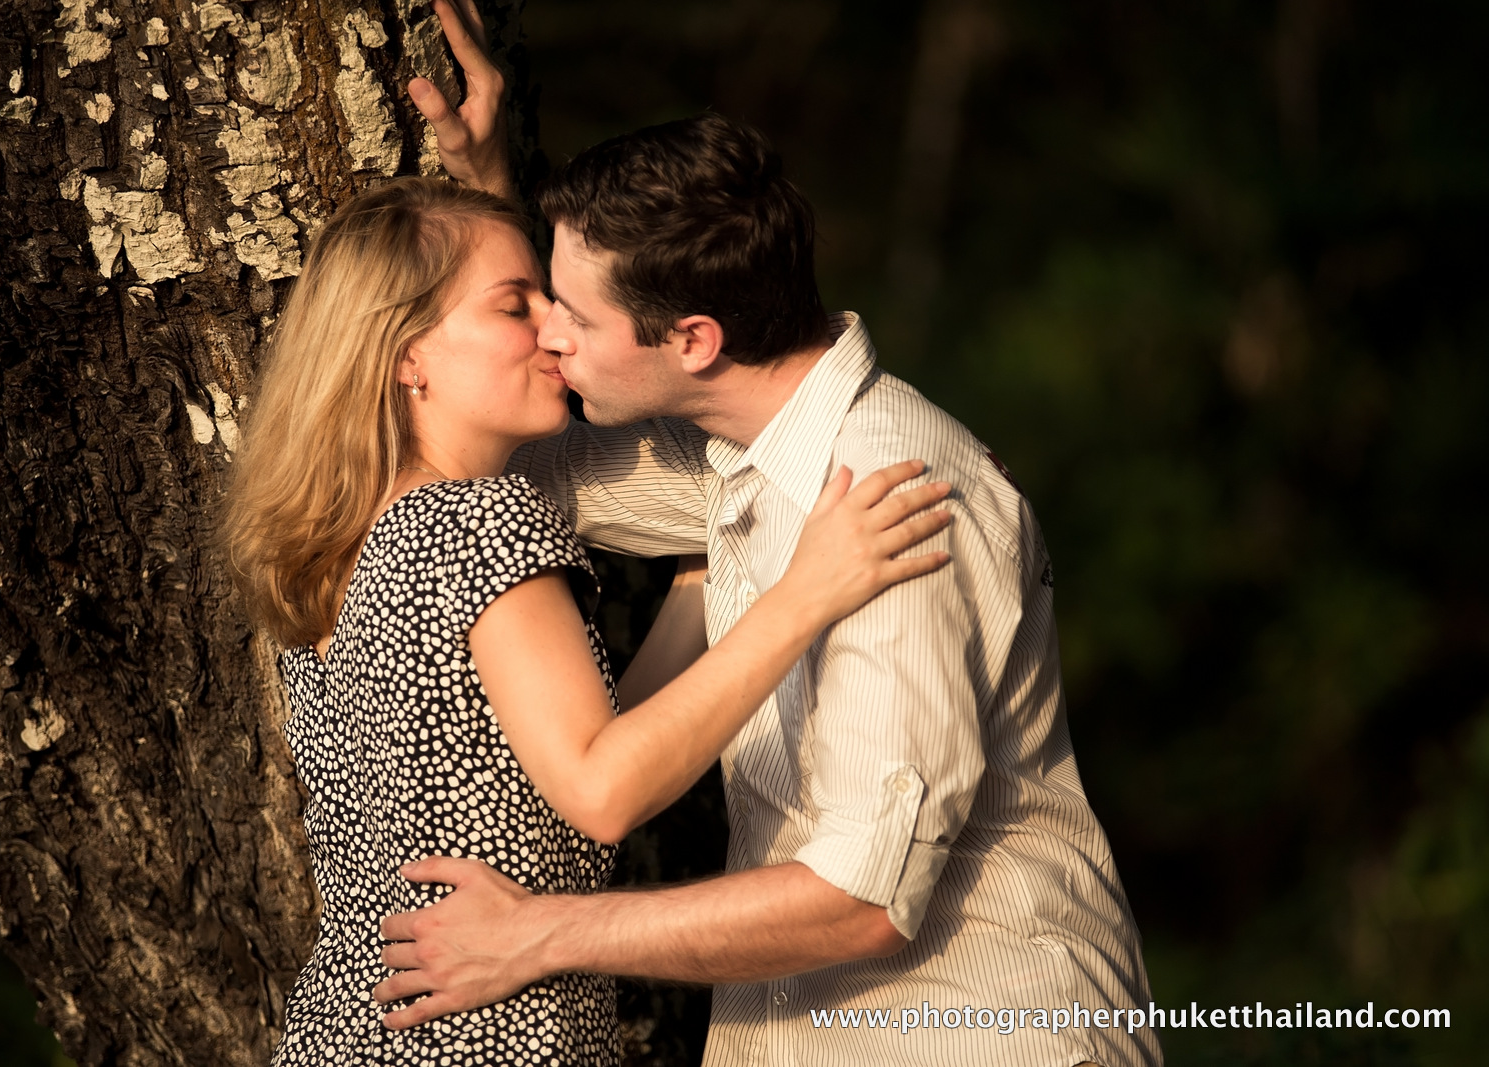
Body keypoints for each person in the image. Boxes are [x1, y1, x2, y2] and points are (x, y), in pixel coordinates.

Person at [376, 3, 1162, 1065]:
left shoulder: (890, 508)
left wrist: (536, 934)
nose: (545, 342)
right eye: (533, 307)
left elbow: (862, 901)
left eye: (565, 315)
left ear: (693, 338)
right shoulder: (735, 457)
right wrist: (484, 201)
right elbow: (492, 450)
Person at [220, 170, 953, 1064]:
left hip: (352, 1029)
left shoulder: (339, 549)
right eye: (513, 307)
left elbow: (564, 756)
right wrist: (806, 593)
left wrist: (702, 584)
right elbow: (602, 790)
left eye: (551, 300)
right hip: (484, 1039)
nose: (552, 332)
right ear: (406, 353)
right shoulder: (473, 522)